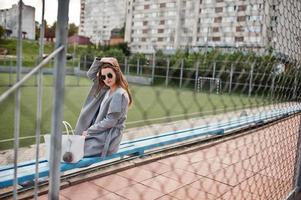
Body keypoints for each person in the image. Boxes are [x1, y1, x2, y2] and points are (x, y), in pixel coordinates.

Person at [74, 57, 132, 158]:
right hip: (99, 133)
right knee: (73, 148)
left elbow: (110, 122)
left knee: (75, 151)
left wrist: (89, 131)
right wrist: (101, 60)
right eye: (103, 77)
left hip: (108, 138)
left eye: (109, 75)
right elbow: (91, 74)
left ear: (117, 74)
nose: (106, 79)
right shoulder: (107, 89)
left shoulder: (119, 94)